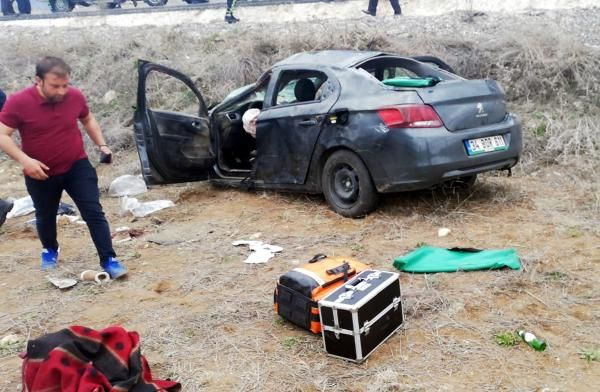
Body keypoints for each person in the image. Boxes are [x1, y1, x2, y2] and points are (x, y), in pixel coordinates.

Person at [0, 56, 127, 279]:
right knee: (45, 214)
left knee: (93, 212)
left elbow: (87, 119)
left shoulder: (74, 96)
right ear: (38, 80)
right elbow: (2, 134)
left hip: (76, 165)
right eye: (55, 86)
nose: (61, 91)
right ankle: (50, 249)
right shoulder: (19, 102)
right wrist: (25, 161)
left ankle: (109, 259)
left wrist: (102, 145)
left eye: (65, 85)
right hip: (40, 170)